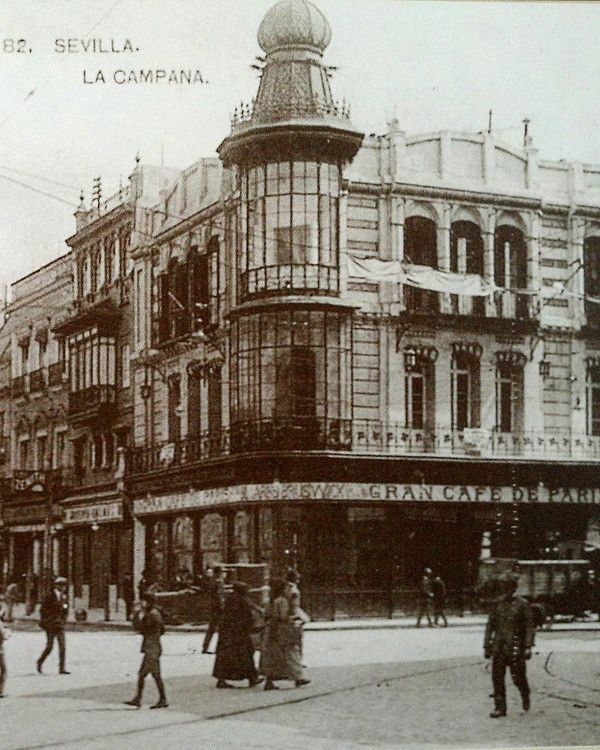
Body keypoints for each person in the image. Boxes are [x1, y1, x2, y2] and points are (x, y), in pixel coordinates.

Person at [484, 574, 534, 718]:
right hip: (499, 647)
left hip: (515, 648)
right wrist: (486, 645)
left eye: (509, 587)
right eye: (504, 587)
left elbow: (529, 627)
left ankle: (525, 696)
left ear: (514, 588)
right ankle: (500, 708)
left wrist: (528, 646)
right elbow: (490, 627)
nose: (506, 590)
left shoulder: (522, 604)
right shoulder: (497, 604)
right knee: (497, 678)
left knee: (518, 678)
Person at [261, 580, 310, 691]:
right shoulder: (282, 601)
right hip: (281, 630)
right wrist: (294, 619)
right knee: (291, 652)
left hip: (271, 630)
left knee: (273, 656)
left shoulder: (271, 600)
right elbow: (283, 617)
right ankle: (298, 677)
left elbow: (266, 614)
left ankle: (269, 681)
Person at [212, 581, 263, 689]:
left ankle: (222, 679)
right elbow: (247, 616)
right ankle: (252, 678)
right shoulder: (242, 600)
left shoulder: (230, 599)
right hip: (239, 633)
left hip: (227, 632)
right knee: (246, 654)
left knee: (225, 657)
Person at [124, 591, 168, 709]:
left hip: (151, 649)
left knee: (150, 675)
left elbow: (142, 629)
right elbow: (162, 630)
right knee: (148, 674)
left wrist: (137, 616)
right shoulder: (155, 613)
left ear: (147, 602)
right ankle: (140, 698)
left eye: (143, 601)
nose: (141, 603)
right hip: (154, 647)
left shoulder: (151, 615)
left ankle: (160, 699)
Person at [37, 576, 70, 675]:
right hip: (50, 624)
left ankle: (62, 668)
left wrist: (63, 620)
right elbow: (42, 610)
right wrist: (49, 619)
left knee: (62, 646)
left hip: (59, 625)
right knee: (50, 646)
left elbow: (65, 609)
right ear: (57, 586)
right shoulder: (49, 595)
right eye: (62, 585)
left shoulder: (64, 597)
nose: (64, 587)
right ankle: (40, 661)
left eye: (65, 585)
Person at [203, 566, 225, 654]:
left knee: (211, 628)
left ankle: (205, 646)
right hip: (218, 607)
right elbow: (219, 595)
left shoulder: (211, 580)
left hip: (213, 606)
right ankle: (220, 648)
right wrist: (222, 606)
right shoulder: (219, 581)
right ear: (219, 572)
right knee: (222, 628)